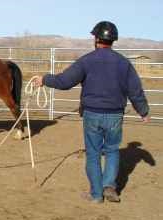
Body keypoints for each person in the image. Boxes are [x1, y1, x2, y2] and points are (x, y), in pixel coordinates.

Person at [34, 21, 150, 203]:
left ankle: (96, 195)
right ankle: (109, 186)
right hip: (115, 115)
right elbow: (135, 89)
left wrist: (45, 80)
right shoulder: (123, 63)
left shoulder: (87, 60)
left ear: (96, 39)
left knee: (94, 153)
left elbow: (65, 81)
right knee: (112, 150)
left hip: (92, 114)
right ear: (113, 40)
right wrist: (143, 111)